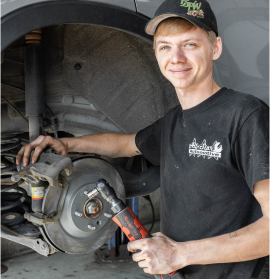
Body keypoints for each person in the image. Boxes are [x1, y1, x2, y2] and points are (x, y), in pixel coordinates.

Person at [17, 0, 270, 278]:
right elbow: (125, 144)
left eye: (190, 44)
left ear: (215, 48)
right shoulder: (174, 120)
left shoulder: (245, 115)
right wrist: (67, 144)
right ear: (156, 54)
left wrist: (177, 254)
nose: (176, 58)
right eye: (165, 46)